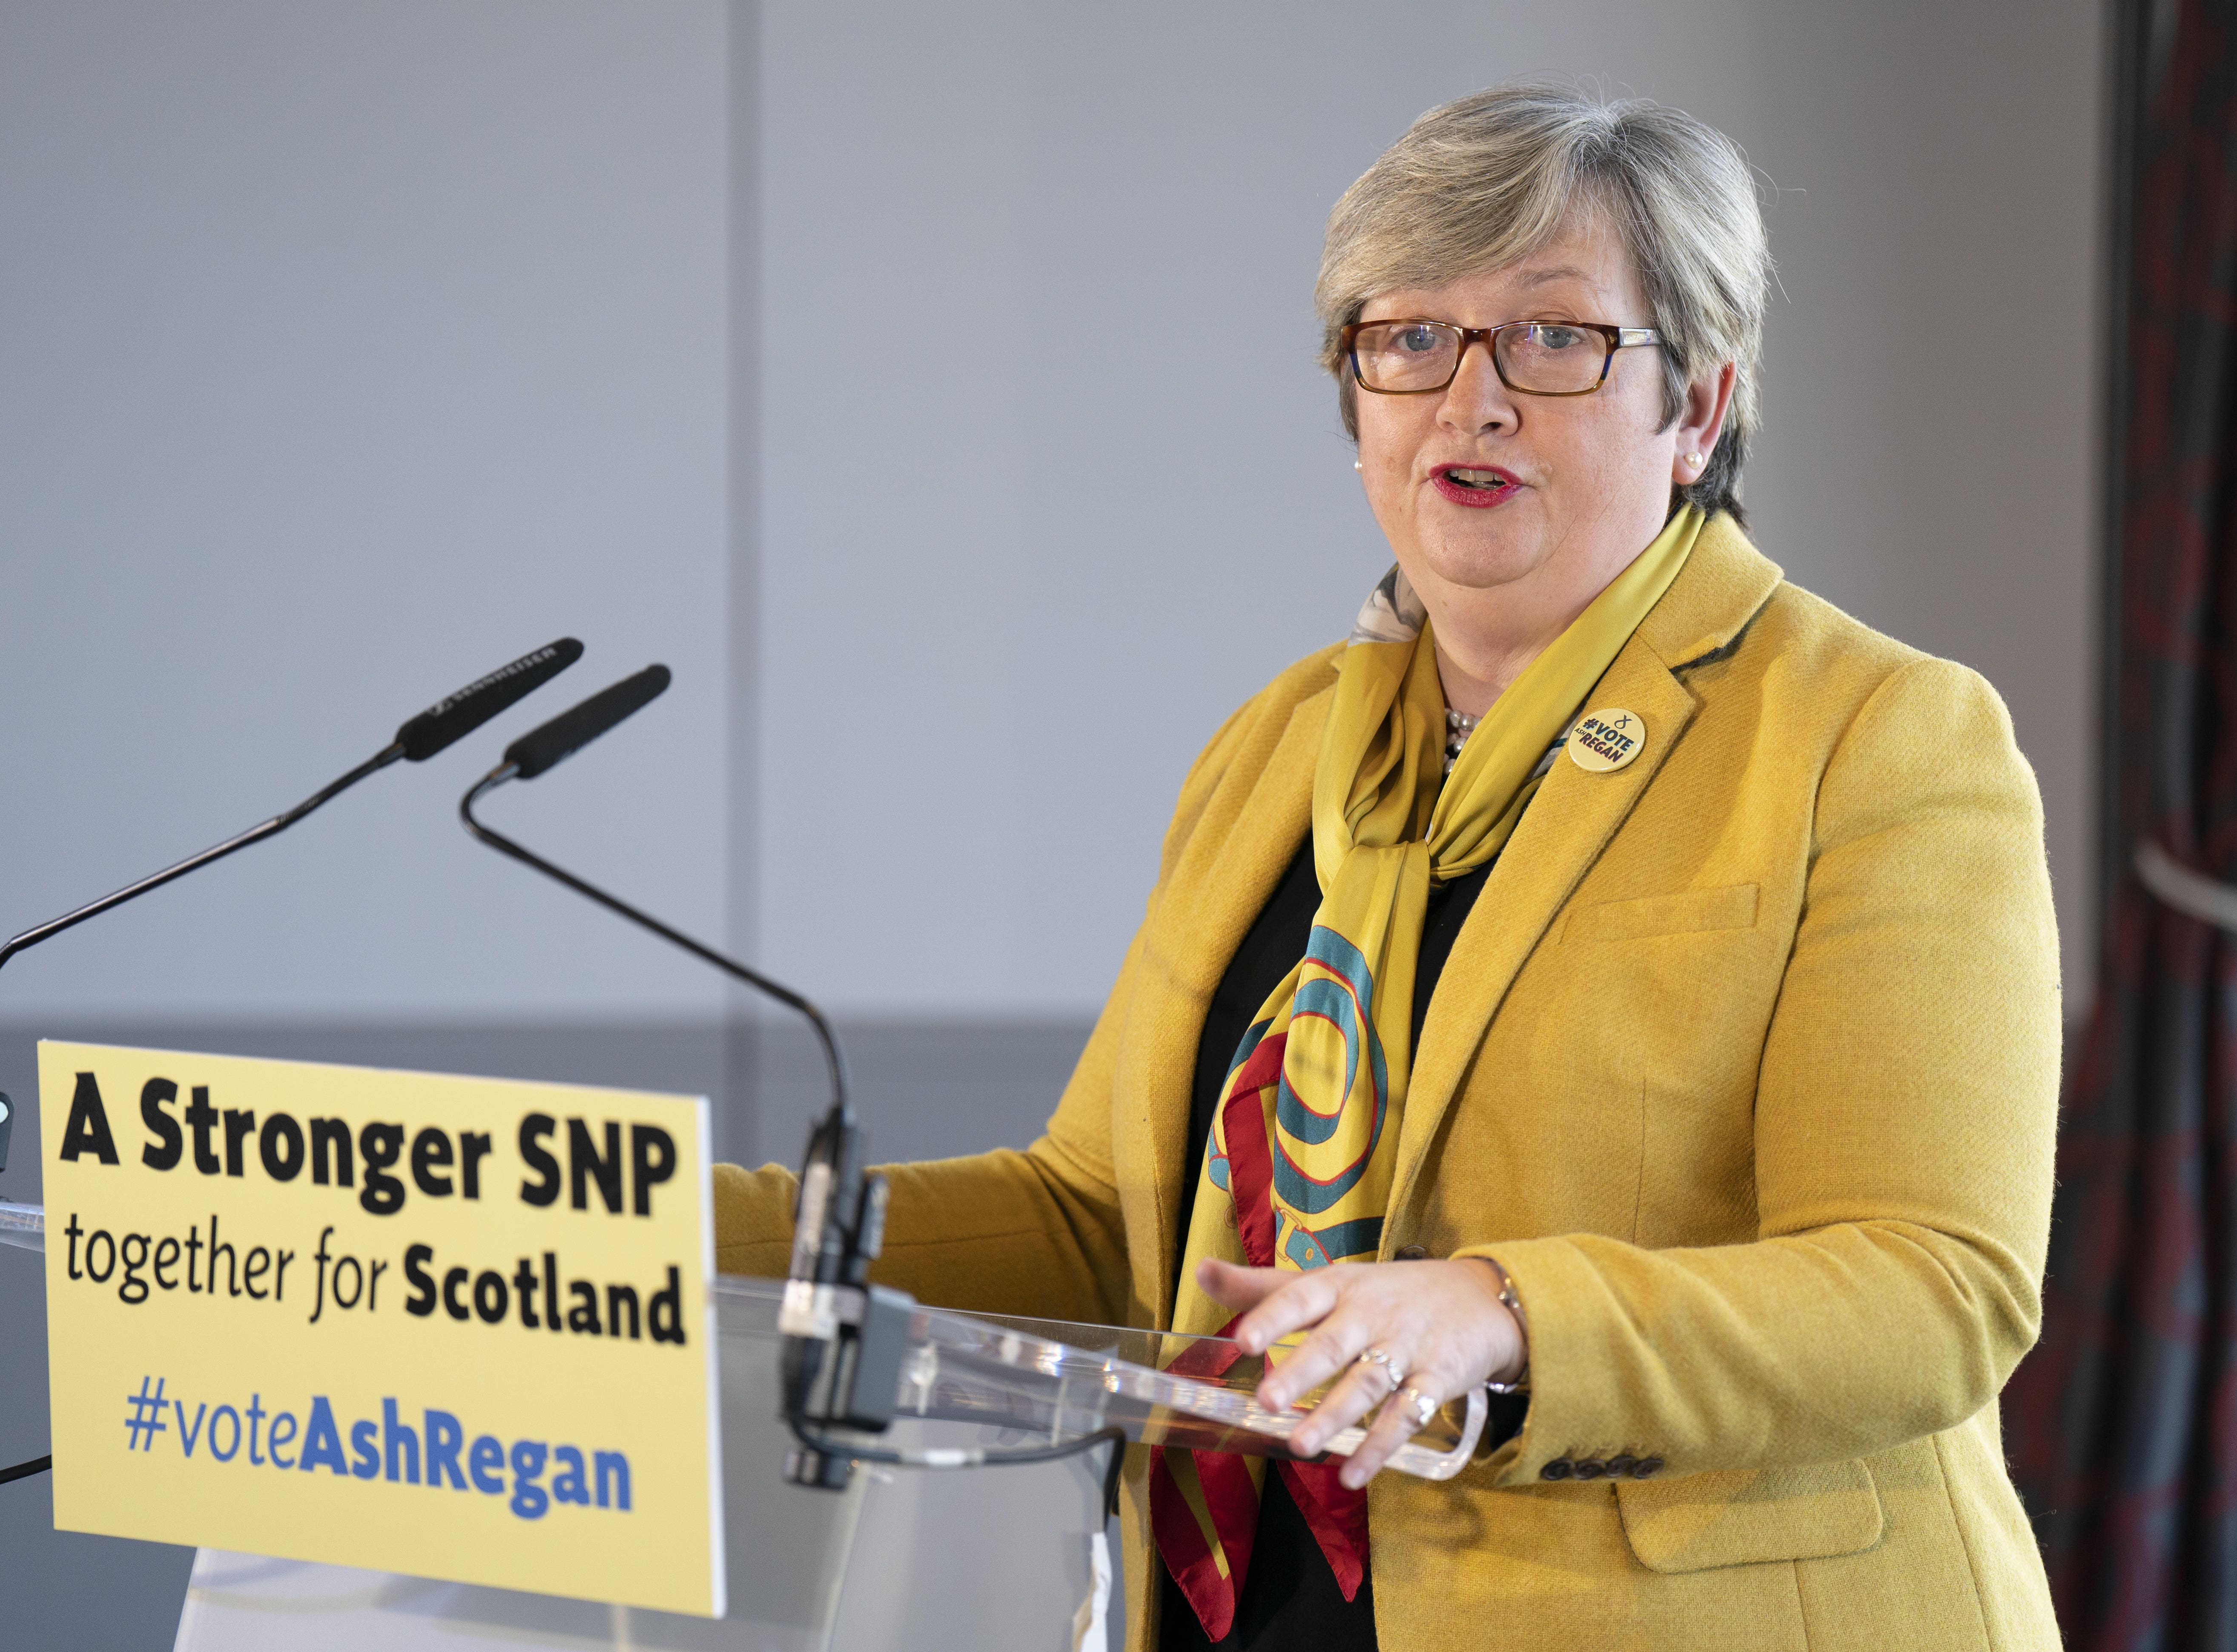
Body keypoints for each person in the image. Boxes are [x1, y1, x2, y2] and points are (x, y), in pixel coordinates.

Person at [718, 83, 2061, 1652]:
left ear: (1696, 406)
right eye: (1406, 337)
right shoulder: (1285, 746)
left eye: (1552, 339)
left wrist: (1502, 1310)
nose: (1464, 401)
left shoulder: (1873, 738)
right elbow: (1104, 1226)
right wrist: (648, 1235)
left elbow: (1929, 1286)